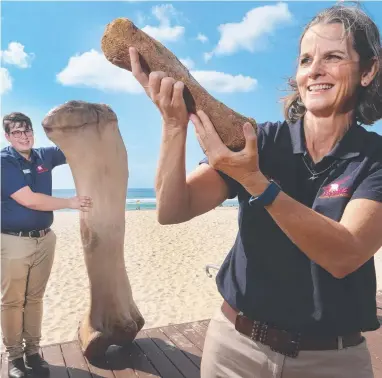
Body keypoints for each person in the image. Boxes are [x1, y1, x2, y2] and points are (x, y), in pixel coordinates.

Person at [130, 3, 382, 378]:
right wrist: (172, 125)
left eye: (333, 57)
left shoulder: (373, 159)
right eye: (306, 60)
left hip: (332, 361)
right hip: (235, 349)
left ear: (368, 71)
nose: (315, 70)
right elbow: (172, 210)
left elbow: (344, 255)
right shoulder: (259, 141)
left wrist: (256, 183)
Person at [1, 112, 93, 378]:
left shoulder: (45, 156)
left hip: (44, 238)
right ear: (8, 136)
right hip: (12, 241)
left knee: (35, 299)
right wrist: (70, 202)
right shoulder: (4, 162)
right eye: (16, 132)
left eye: (27, 130)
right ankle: (15, 358)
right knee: (12, 301)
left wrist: (86, 122)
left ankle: (33, 351)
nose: (23, 135)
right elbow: (29, 200)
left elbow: (77, 146)